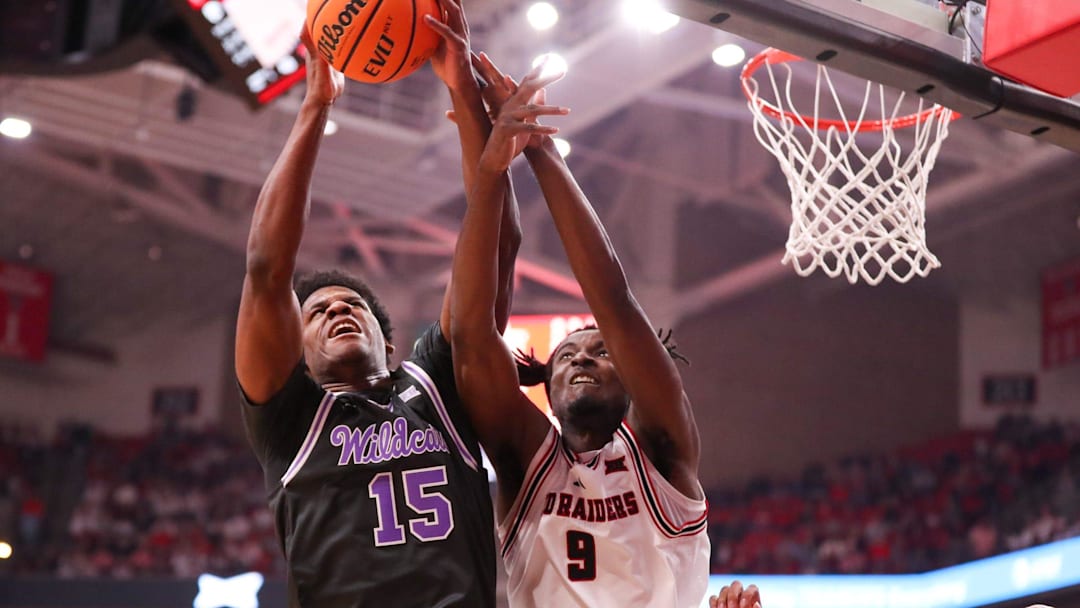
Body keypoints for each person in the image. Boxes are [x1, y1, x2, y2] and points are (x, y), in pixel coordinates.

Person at [234, 3, 519, 605]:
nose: (338, 310)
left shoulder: (438, 383)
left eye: (354, 306)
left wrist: (463, 90)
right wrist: (315, 106)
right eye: (317, 313)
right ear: (298, 356)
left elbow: (495, 244)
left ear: (388, 344)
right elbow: (265, 268)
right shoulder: (289, 419)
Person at [448, 57, 710, 607]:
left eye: (601, 351)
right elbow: (471, 336)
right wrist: (490, 164)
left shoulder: (663, 453)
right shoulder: (524, 459)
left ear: (635, 375)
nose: (583, 359)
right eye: (567, 354)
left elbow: (612, 299)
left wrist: (539, 148)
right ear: (545, 382)